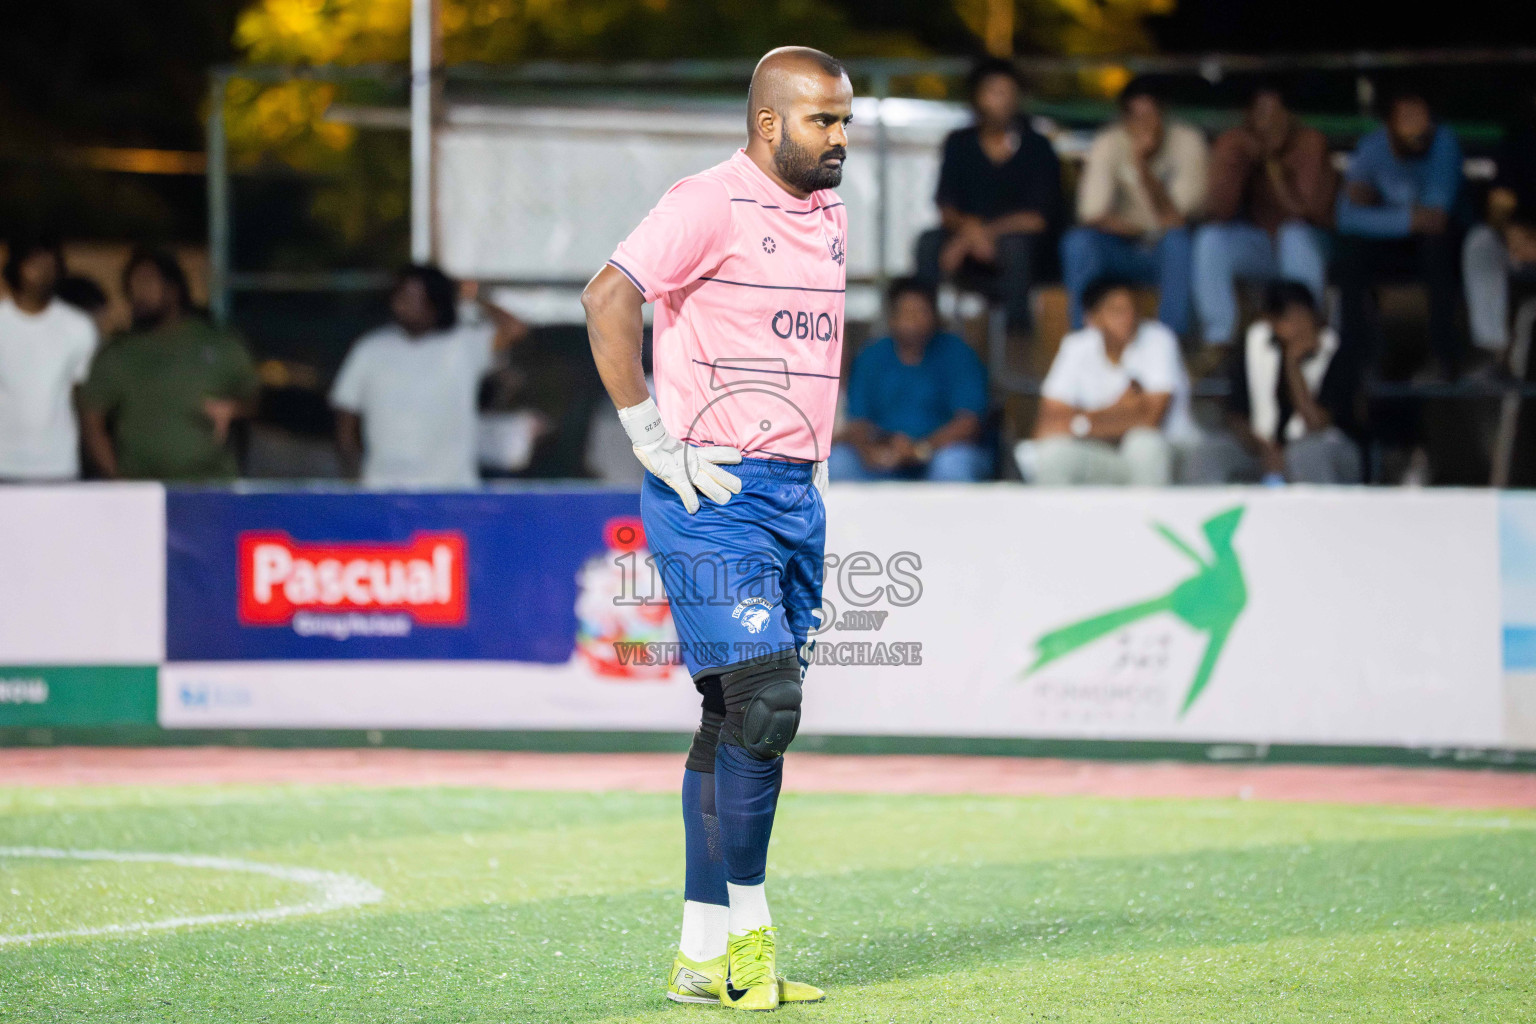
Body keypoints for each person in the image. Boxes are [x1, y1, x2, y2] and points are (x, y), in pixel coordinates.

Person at [581, 46, 847, 1011]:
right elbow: (606, 298)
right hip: (712, 490)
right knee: (769, 706)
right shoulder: (707, 200)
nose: (840, 139)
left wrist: (812, 452)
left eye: (846, 121)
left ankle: (699, 959)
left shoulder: (829, 212)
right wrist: (650, 438)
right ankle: (750, 945)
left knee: (734, 715)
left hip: (794, 494)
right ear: (769, 123)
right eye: (823, 120)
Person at [330, 266, 527, 488]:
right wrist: (352, 471)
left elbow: (514, 329)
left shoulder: (464, 344)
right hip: (384, 486)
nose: (404, 304)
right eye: (402, 295)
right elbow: (346, 411)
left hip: (451, 487)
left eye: (416, 297)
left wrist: (473, 295)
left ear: (436, 301)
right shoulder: (371, 348)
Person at [80, 249, 259, 481]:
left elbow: (255, 400)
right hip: (142, 490)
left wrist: (235, 408)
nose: (138, 293)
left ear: (173, 289)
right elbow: (92, 420)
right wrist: (117, 479)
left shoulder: (218, 343)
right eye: (132, 285)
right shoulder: (119, 352)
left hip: (210, 485)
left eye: (146, 282)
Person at [914, 58, 1061, 335]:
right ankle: (923, 329)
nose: (1001, 101)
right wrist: (969, 235)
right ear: (977, 97)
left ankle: (1017, 336)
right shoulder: (959, 143)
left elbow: (1037, 218)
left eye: (1008, 93)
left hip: (1022, 249)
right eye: (993, 92)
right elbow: (946, 206)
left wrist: (982, 235)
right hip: (966, 244)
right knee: (928, 243)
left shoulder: (1038, 147)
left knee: (1016, 248)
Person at [1334, 90, 1466, 378]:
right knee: (1352, 255)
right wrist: (1407, 218)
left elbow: (1435, 220)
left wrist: (1379, 208)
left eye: (1421, 116)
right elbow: (1346, 218)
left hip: (1438, 249)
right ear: (1390, 123)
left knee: (1437, 247)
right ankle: (1358, 361)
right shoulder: (1373, 147)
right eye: (1406, 118)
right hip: (1391, 244)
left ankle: (1444, 359)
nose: (1416, 126)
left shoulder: (1444, 142)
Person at [1061, 77, 1207, 337]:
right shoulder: (1109, 141)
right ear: (1124, 118)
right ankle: (1084, 339)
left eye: (1150, 115)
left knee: (1177, 243)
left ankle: (1169, 341)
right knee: (1078, 242)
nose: (1143, 124)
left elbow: (1175, 221)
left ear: (1164, 114)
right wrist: (1142, 231)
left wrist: (1142, 166)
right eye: (1135, 117)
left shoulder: (1188, 141)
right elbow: (1091, 215)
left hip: (1165, 253)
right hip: (1122, 248)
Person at [1193, 84, 1334, 352]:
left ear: (1290, 115)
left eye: (1275, 114)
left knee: (1293, 235)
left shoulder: (1310, 142)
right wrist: (1230, 155)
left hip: (1315, 245)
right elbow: (1219, 213)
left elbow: (1304, 212)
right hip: (1263, 247)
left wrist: (1272, 166)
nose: (1268, 122)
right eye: (1260, 114)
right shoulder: (1242, 144)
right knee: (1210, 239)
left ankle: (1304, 333)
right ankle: (1219, 340)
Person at [1184, 281, 1363, 484]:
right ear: (1272, 323)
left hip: (1330, 448)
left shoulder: (1338, 350)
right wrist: (1264, 449)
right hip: (1260, 448)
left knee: (1305, 454)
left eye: (1303, 316)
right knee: (1208, 455)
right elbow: (1235, 414)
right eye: (1289, 319)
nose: (1299, 326)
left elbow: (1316, 424)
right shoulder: (1254, 343)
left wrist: (1293, 364)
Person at [1026, 277, 1191, 485]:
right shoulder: (1076, 346)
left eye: (1132, 309)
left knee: (1143, 444)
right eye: (1116, 311)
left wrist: (1078, 420)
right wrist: (1118, 410)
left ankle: (1148, 509)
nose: (1128, 318)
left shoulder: (1158, 339)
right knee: (1053, 455)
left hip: (1167, 455)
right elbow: (1046, 427)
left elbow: (1149, 420)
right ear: (1092, 319)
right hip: (1105, 454)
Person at [830, 278, 989, 481]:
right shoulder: (872, 355)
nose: (913, 321)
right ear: (891, 318)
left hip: (937, 454)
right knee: (838, 463)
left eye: (920, 312)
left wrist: (920, 449)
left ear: (935, 316)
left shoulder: (958, 353)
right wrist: (869, 451)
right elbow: (857, 422)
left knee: (953, 465)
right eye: (905, 313)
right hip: (885, 456)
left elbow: (968, 423)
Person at [0, 237, 99, 482]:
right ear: (16, 267)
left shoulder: (78, 327)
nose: (43, 272)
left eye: (50, 265)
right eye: (35, 264)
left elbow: (83, 396)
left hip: (59, 466)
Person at [1463, 97, 1536, 363]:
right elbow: (1500, 202)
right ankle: (1492, 353)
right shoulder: (1523, 140)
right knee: (1481, 242)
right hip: (1524, 246)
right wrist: (1510, 233)